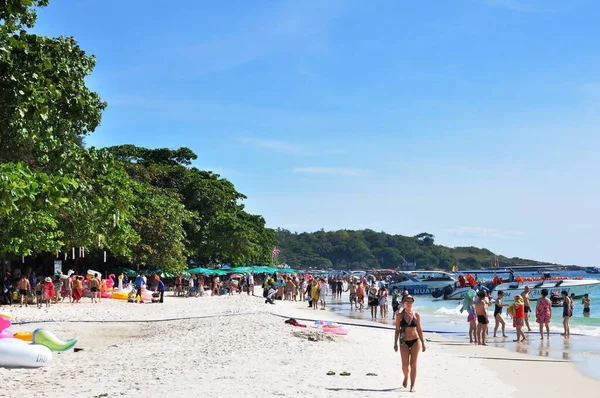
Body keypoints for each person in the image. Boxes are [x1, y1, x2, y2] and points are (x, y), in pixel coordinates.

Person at [394, 295, 426, 393]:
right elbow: (397, 330)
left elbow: (419, 329)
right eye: (407, 301)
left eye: (411, 301)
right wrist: (395, 343)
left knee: (413, 364)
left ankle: (412, 385)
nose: (409, 303)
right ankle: (406, 376)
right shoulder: (399, 316)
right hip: (404, 341)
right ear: (403, 303)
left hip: (415, 340)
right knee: (405, 365)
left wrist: (423, 343)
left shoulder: (416, 315)